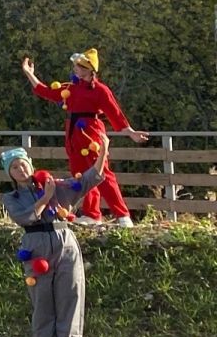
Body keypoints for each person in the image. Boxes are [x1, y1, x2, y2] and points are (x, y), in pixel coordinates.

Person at [0, 141, 109, 337]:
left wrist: (102, 153)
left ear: (30, 165)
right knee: (42, 305)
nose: (20, 169)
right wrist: (45, 198)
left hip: (64, 242)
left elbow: (89, 180)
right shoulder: (11, 197)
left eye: (23, 164)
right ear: (10, 174)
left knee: (70, 299)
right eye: (14, 167)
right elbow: (25, 217)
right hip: (35, 247)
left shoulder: (54, 185)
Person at [22, 51, 148, 226]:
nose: (75, 69)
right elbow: (46, 92)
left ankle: (122, 214)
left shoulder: (100, 90)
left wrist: (130, 132)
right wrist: (30, 74)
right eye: (75, 66)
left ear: (89, 70)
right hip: (73, 135)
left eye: (79, 66)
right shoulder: (70, 88)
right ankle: (92, 214)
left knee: (102, 174)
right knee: (81, 176)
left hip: (91, 134)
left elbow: (115, 113)